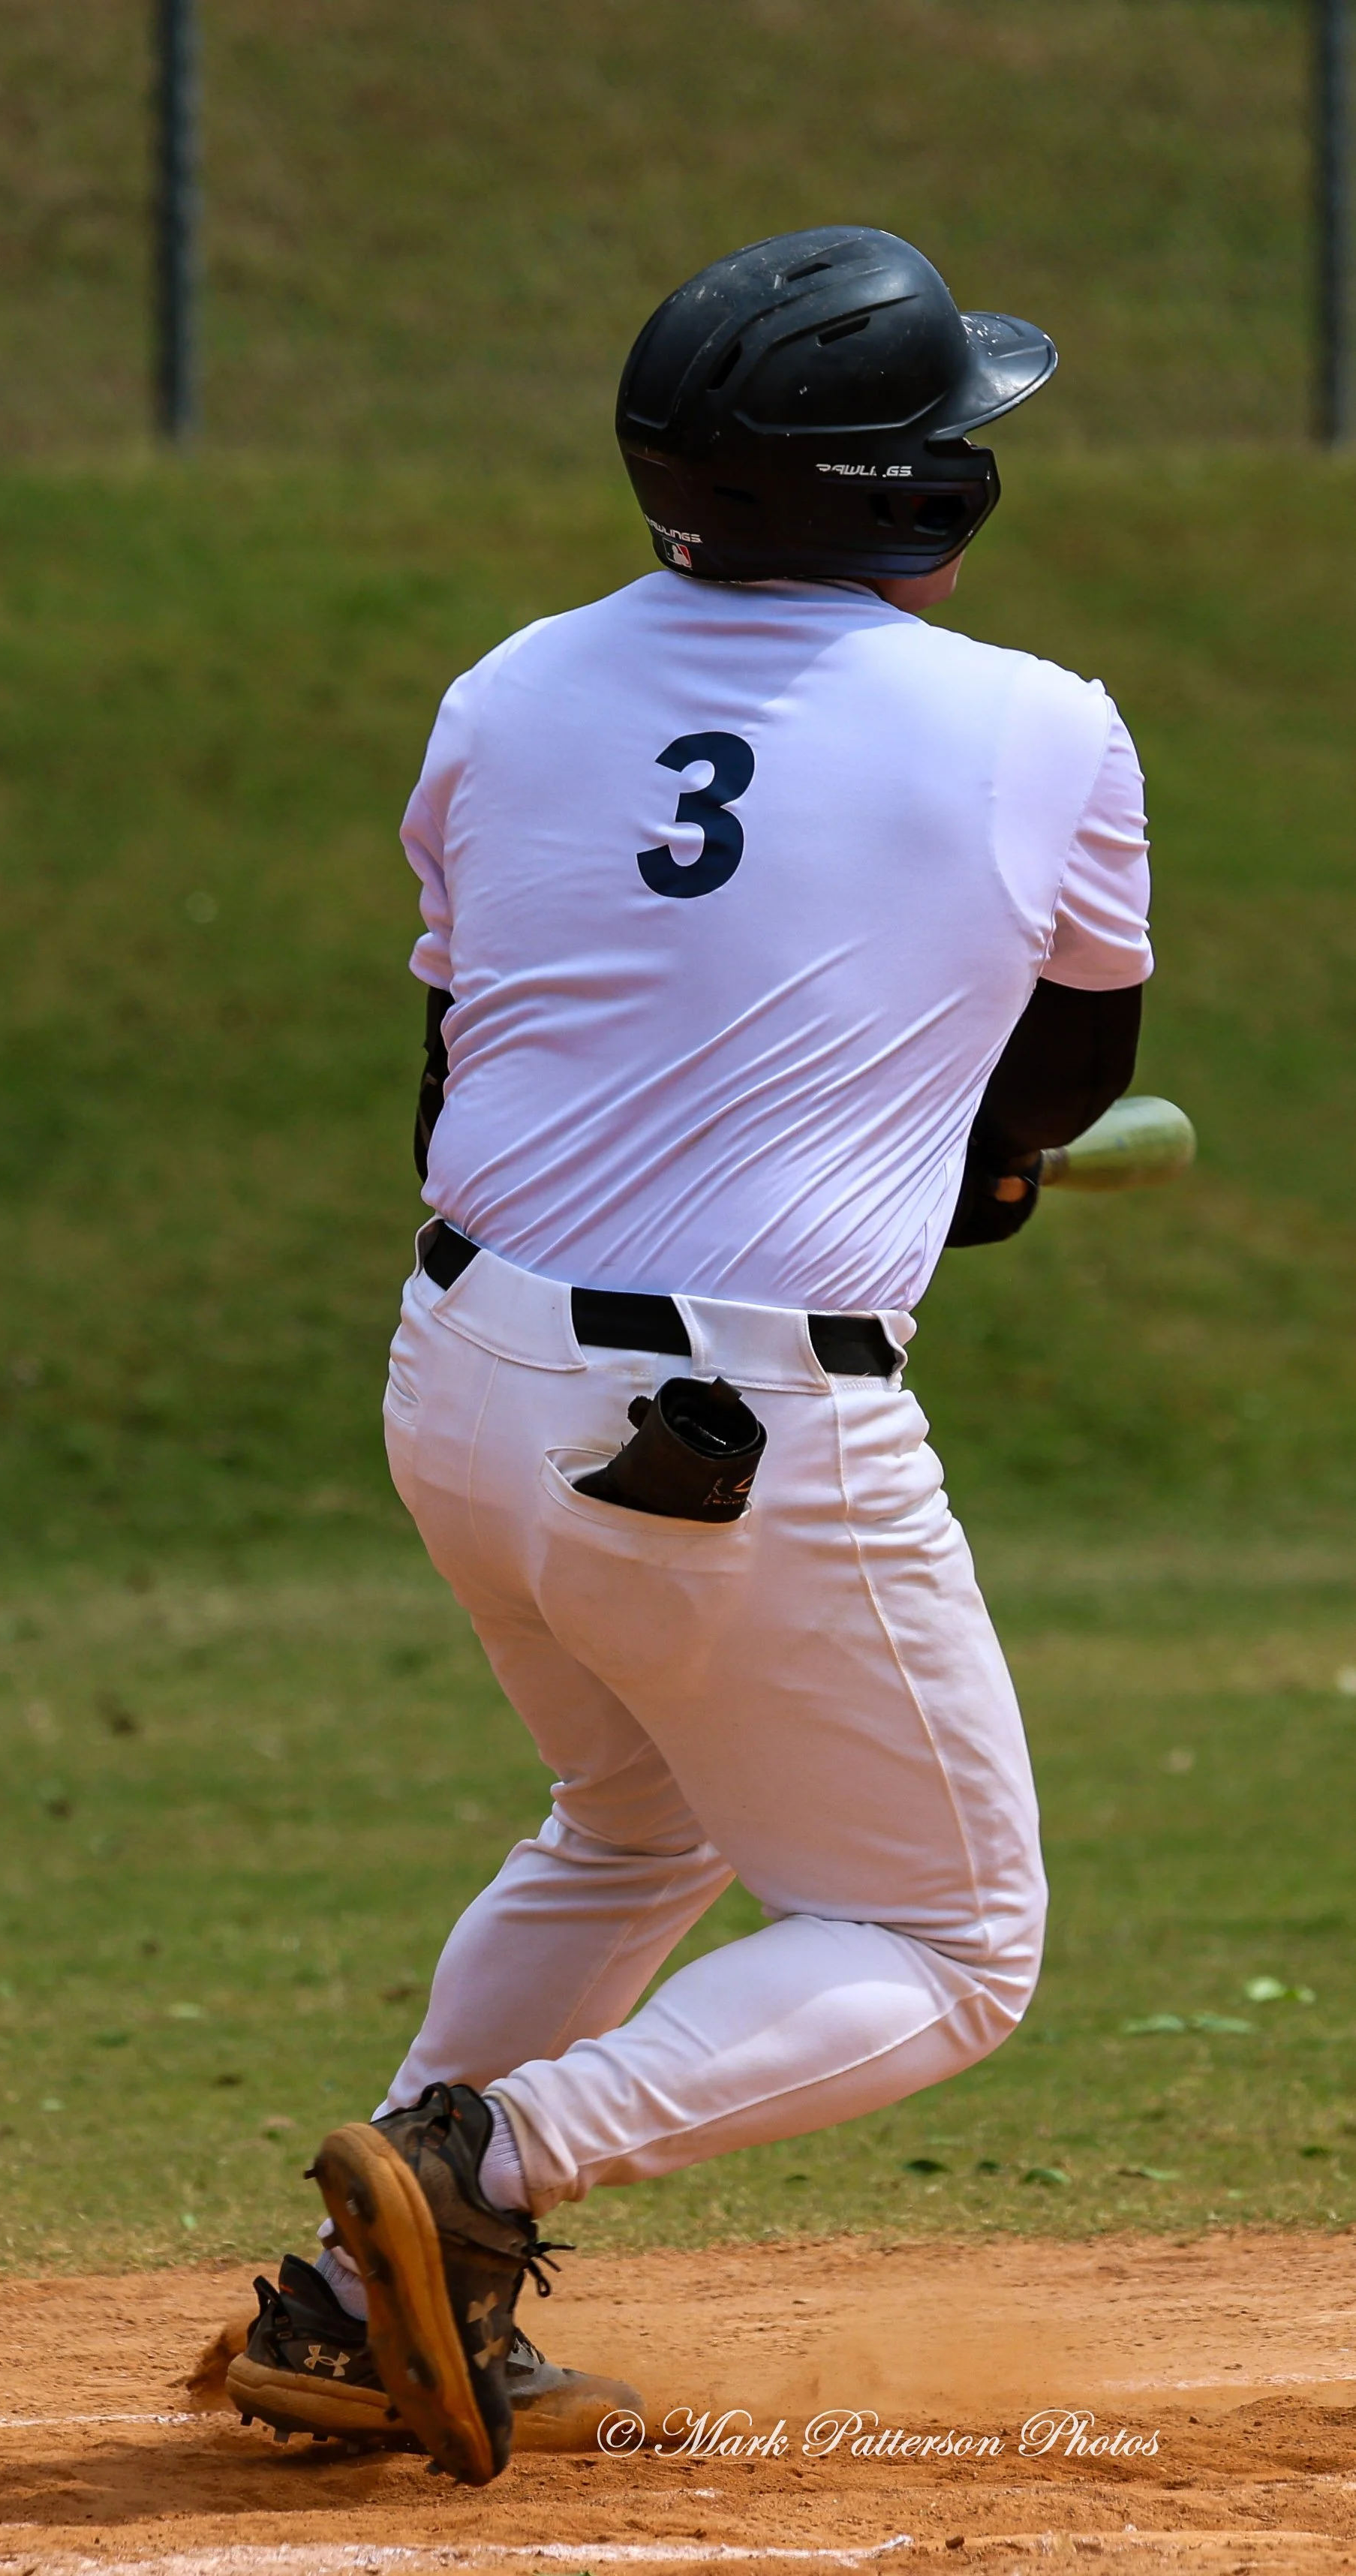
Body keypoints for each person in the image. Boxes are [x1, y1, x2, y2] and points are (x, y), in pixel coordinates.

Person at [230, 227, 1151, 2486]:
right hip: (730, 1416)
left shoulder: (510, 685)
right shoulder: (1045, 723)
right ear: (911, 490)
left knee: (634, 1818)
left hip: (461, 1366)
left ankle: (363, 2313)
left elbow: (470, 1058)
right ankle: (480, 2163)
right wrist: (980, 1170)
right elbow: (1055, 1082)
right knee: (948, 1946)